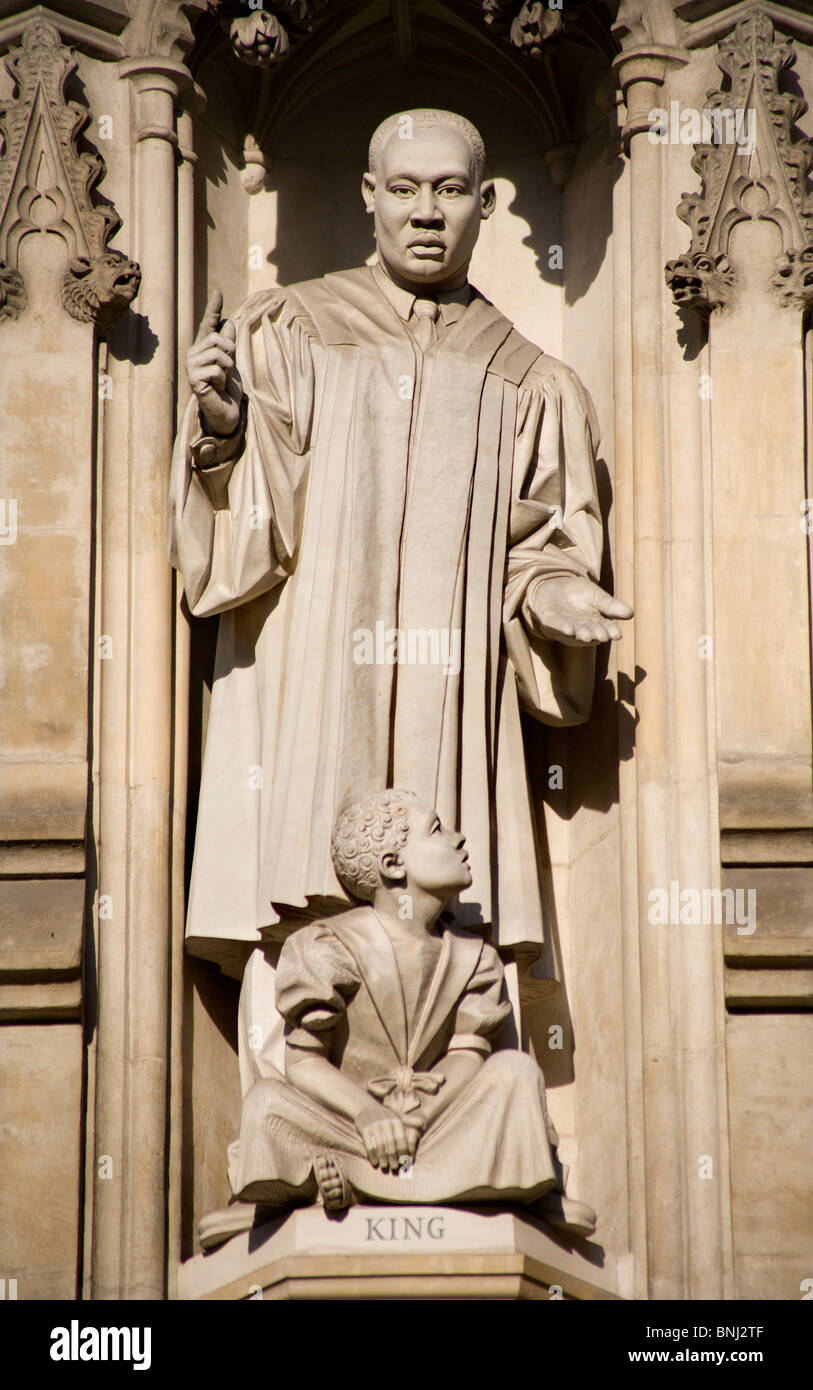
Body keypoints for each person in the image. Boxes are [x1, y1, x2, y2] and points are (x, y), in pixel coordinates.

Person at [169, 106, 631, 1001]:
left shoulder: (533, 381)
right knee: (305, 896)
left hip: (448, 688)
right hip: (314, 680)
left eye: (452, 190)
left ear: (485, 205)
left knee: (443, 921)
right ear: (369, 196)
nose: (428, 211)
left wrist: (555, 597)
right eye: (408, 188)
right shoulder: (290, 330)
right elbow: (237, 543)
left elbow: (542, 546)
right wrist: (222, 434)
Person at [229, 788, 596, 1235]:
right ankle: (452, 1180)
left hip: (435, 1124)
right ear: (392, 865)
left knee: (516, 1074)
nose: (461, 840)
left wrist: (418, 1119)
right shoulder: (328, 947)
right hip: (349, 1124)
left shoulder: (476, 958)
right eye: (438, 830)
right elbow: (303, 1061)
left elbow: (468, 1053)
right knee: (267, 1103)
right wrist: (368, 1115)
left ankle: (352, 1183)